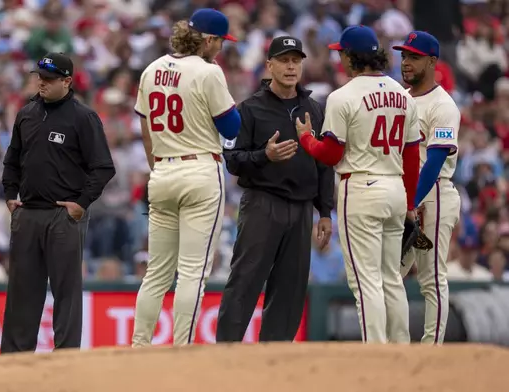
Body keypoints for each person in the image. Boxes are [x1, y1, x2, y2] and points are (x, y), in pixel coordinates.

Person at [294, 25, 421, 344]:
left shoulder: (343, 96)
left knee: (366, 281)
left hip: (362, 187)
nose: (340, 59)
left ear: (352, 57)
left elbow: (332, 153)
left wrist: (307, 139)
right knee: (391, 278)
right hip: (395, 188)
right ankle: (401, 348)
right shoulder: (402, 95)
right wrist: (408, 204)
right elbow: (411, 155)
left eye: (342, 53)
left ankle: (375, 352)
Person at [131, 8, 241, 347]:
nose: (222, 47)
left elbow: (146, 130)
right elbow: (231, 126)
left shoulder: (151, 69)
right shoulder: (208, 71)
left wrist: (159, 167)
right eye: (220, 41)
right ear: (207, 39)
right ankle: (181, 349)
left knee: (156, 274)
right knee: (193, 271)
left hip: (162, 170)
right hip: (199, 170)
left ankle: (138, 346)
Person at [215, 36, 334, 343]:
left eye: (296, 60)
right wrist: (263, 156)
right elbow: (232, 159)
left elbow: (324, 163)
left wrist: (325, 211)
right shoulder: (250, 109)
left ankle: (274, 357)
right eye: (284, 60)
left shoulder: (314, 109)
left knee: (291, 288)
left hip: (302, 208)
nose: (291, 66)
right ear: (269, 65)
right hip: (262, 203)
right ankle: (224, 354)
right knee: (245, 281)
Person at [0, 52, 115, 352]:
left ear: (67, 81)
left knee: (67, 292)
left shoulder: (83, 117)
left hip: (63, 215)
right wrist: (11, 196)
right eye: (40, 76)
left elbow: (103, 167)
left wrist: (80, 204)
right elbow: (11, 160)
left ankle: (65, 358)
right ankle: (13, 360)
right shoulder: (26, 113)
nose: (42, 83)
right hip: (28, 213)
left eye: (49, 79)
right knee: (22, 291)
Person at [394, 31, 462, 345]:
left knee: (431, 278)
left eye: (414, 57)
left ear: (432, 61)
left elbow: (433, 162)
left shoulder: (444, 105)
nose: (406, 62)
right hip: (405, 196)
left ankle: (431, 352)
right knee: (390, 275)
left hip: (432, 195)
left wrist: (412, 201)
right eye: (405, 56)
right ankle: (393, 345)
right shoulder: (401, 97)